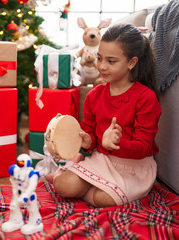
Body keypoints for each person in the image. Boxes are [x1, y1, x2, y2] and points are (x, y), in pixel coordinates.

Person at [47, 23, 161, 207]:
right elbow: (90, 134)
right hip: (101, 159)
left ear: (132, 62)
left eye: (111, 61)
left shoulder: (145, 98)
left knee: (104, 199)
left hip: (133, 167)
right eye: (99, 58)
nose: (101, 66)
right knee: (63, 187)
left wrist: (116, 144)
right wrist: (87, 142)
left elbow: (144, 146)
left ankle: (87, 186)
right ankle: (76, 180)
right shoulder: (94, 95)